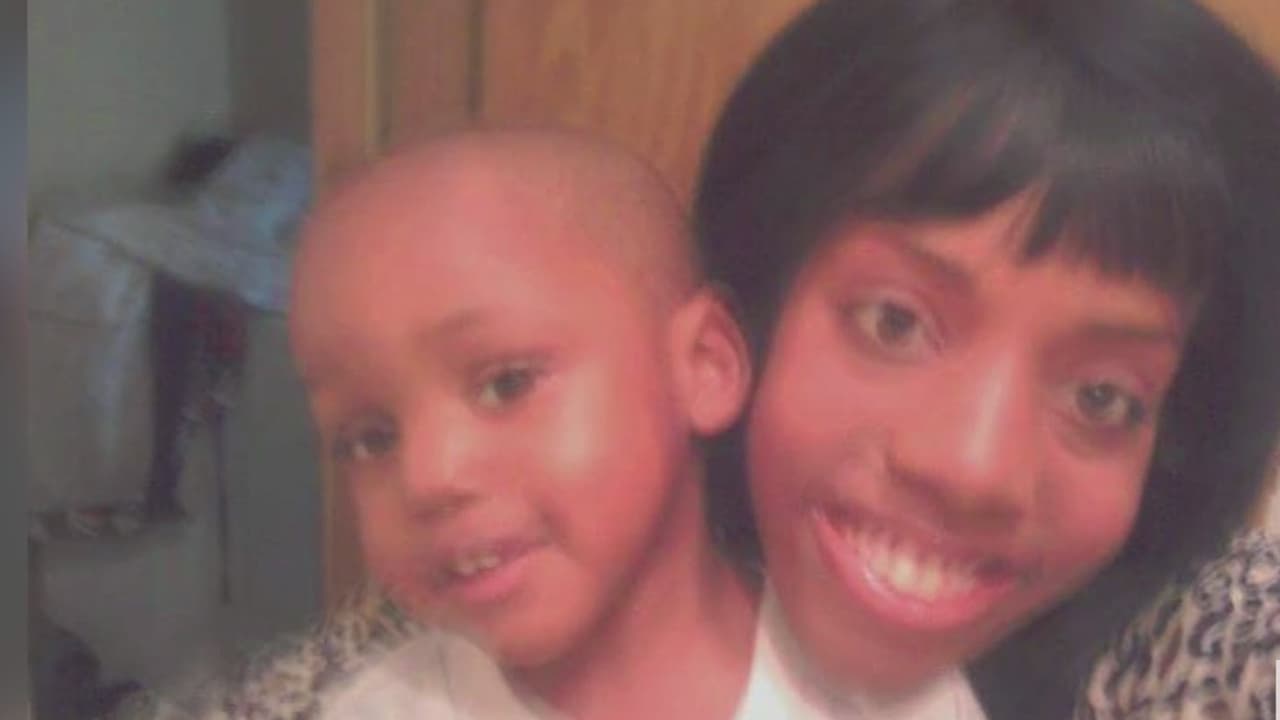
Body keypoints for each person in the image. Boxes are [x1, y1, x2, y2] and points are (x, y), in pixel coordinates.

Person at [692, 0, 1280, 717]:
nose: (974, 469)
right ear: (747, 308)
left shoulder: (1196, 641)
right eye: (895, 323)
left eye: (1099, 396)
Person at [284, 128, 760, 719]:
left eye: (507, 384)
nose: (427, 477)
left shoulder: (857, 670)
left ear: (704, 365)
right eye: (369, 439)